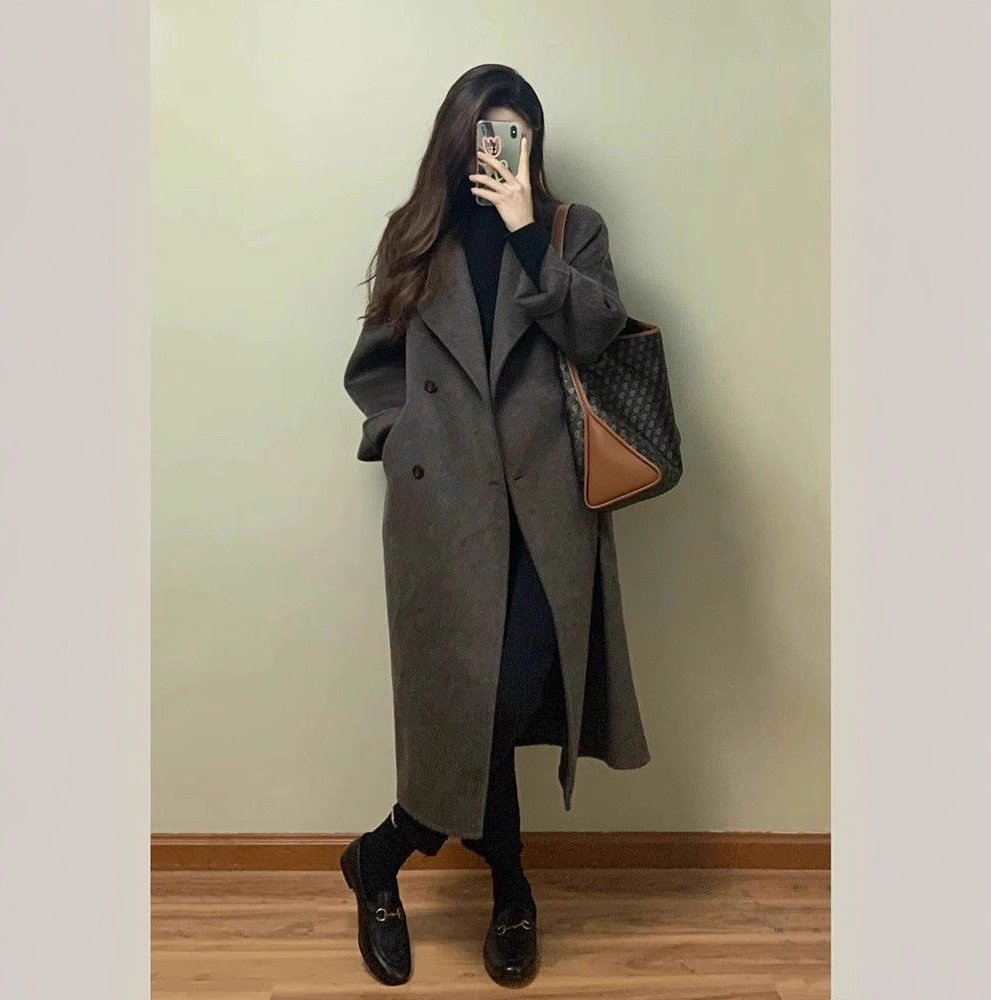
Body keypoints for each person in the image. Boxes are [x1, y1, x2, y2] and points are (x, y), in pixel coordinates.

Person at [340, 64, 650, 988]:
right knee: (469, 701)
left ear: (532, 144)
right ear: (457, 138)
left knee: (502, 698)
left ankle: (382, 853)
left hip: (545, 511)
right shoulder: (414, 235)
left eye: (516, 134)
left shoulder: (569, 231)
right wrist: (401, 437)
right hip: (444, 516)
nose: (501, 150)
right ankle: (513, 891)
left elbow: (598, 333)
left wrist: (523, 231)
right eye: (486, 132)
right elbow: (372, 366)